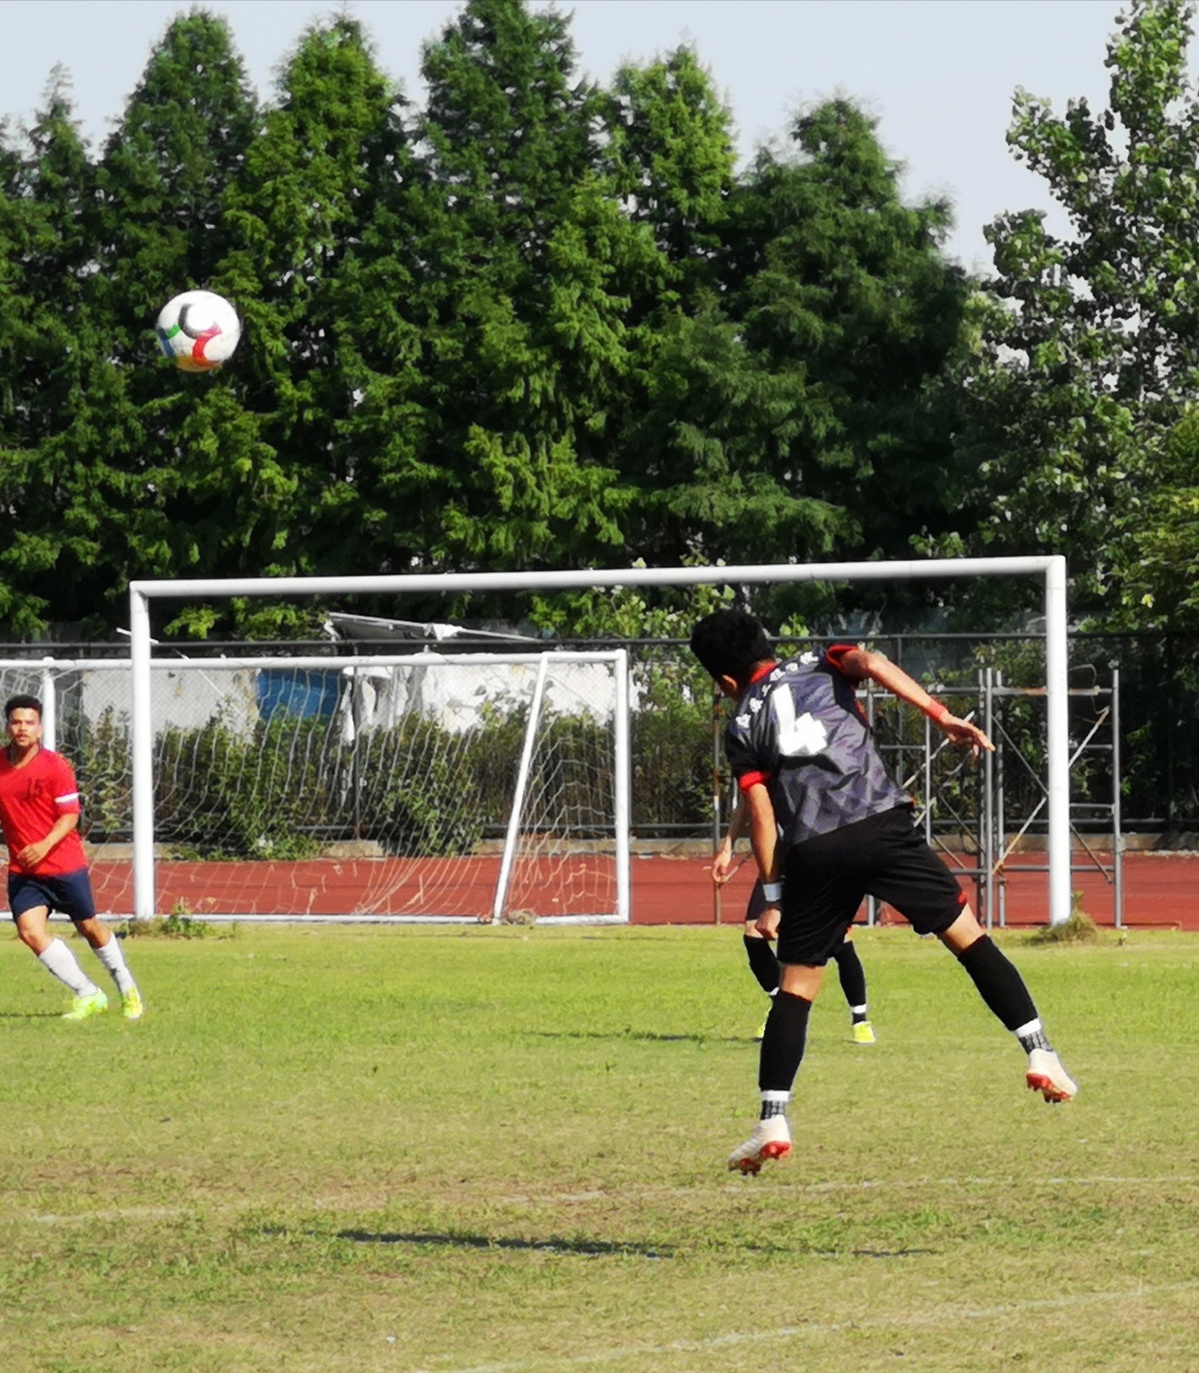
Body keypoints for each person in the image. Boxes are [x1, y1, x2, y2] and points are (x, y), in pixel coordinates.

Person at [689, 609, 1076, 1175]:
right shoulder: (821, 660)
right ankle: (1040, 1052)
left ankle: (772, 1117)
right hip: (881, 825)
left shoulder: (741, 726)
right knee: (969, 940)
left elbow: (762, 816)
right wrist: (941, 716)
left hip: (815, 851)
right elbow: (872, 662)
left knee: (795, 992)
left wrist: (773, 895)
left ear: (724, 682)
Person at [0, 695, 144, 1021]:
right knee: (29, 932)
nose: (22, 728)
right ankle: (88, 993)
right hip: (25, 870)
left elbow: (69, 815)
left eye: (29, 722)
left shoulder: (55, 766)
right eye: (16, 722)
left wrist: (44, 844)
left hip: (63, 865)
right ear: (8, 725)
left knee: (90, 928)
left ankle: (126, 986)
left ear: (39, 727)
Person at [713, 800, 875, 1044]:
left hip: (816, 857)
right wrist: (727, 849)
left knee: (839, 940)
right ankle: (781, 1007)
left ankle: (860, 1019)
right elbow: (746, 808)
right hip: (775, 866)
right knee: (753, 936)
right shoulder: (756, 771)